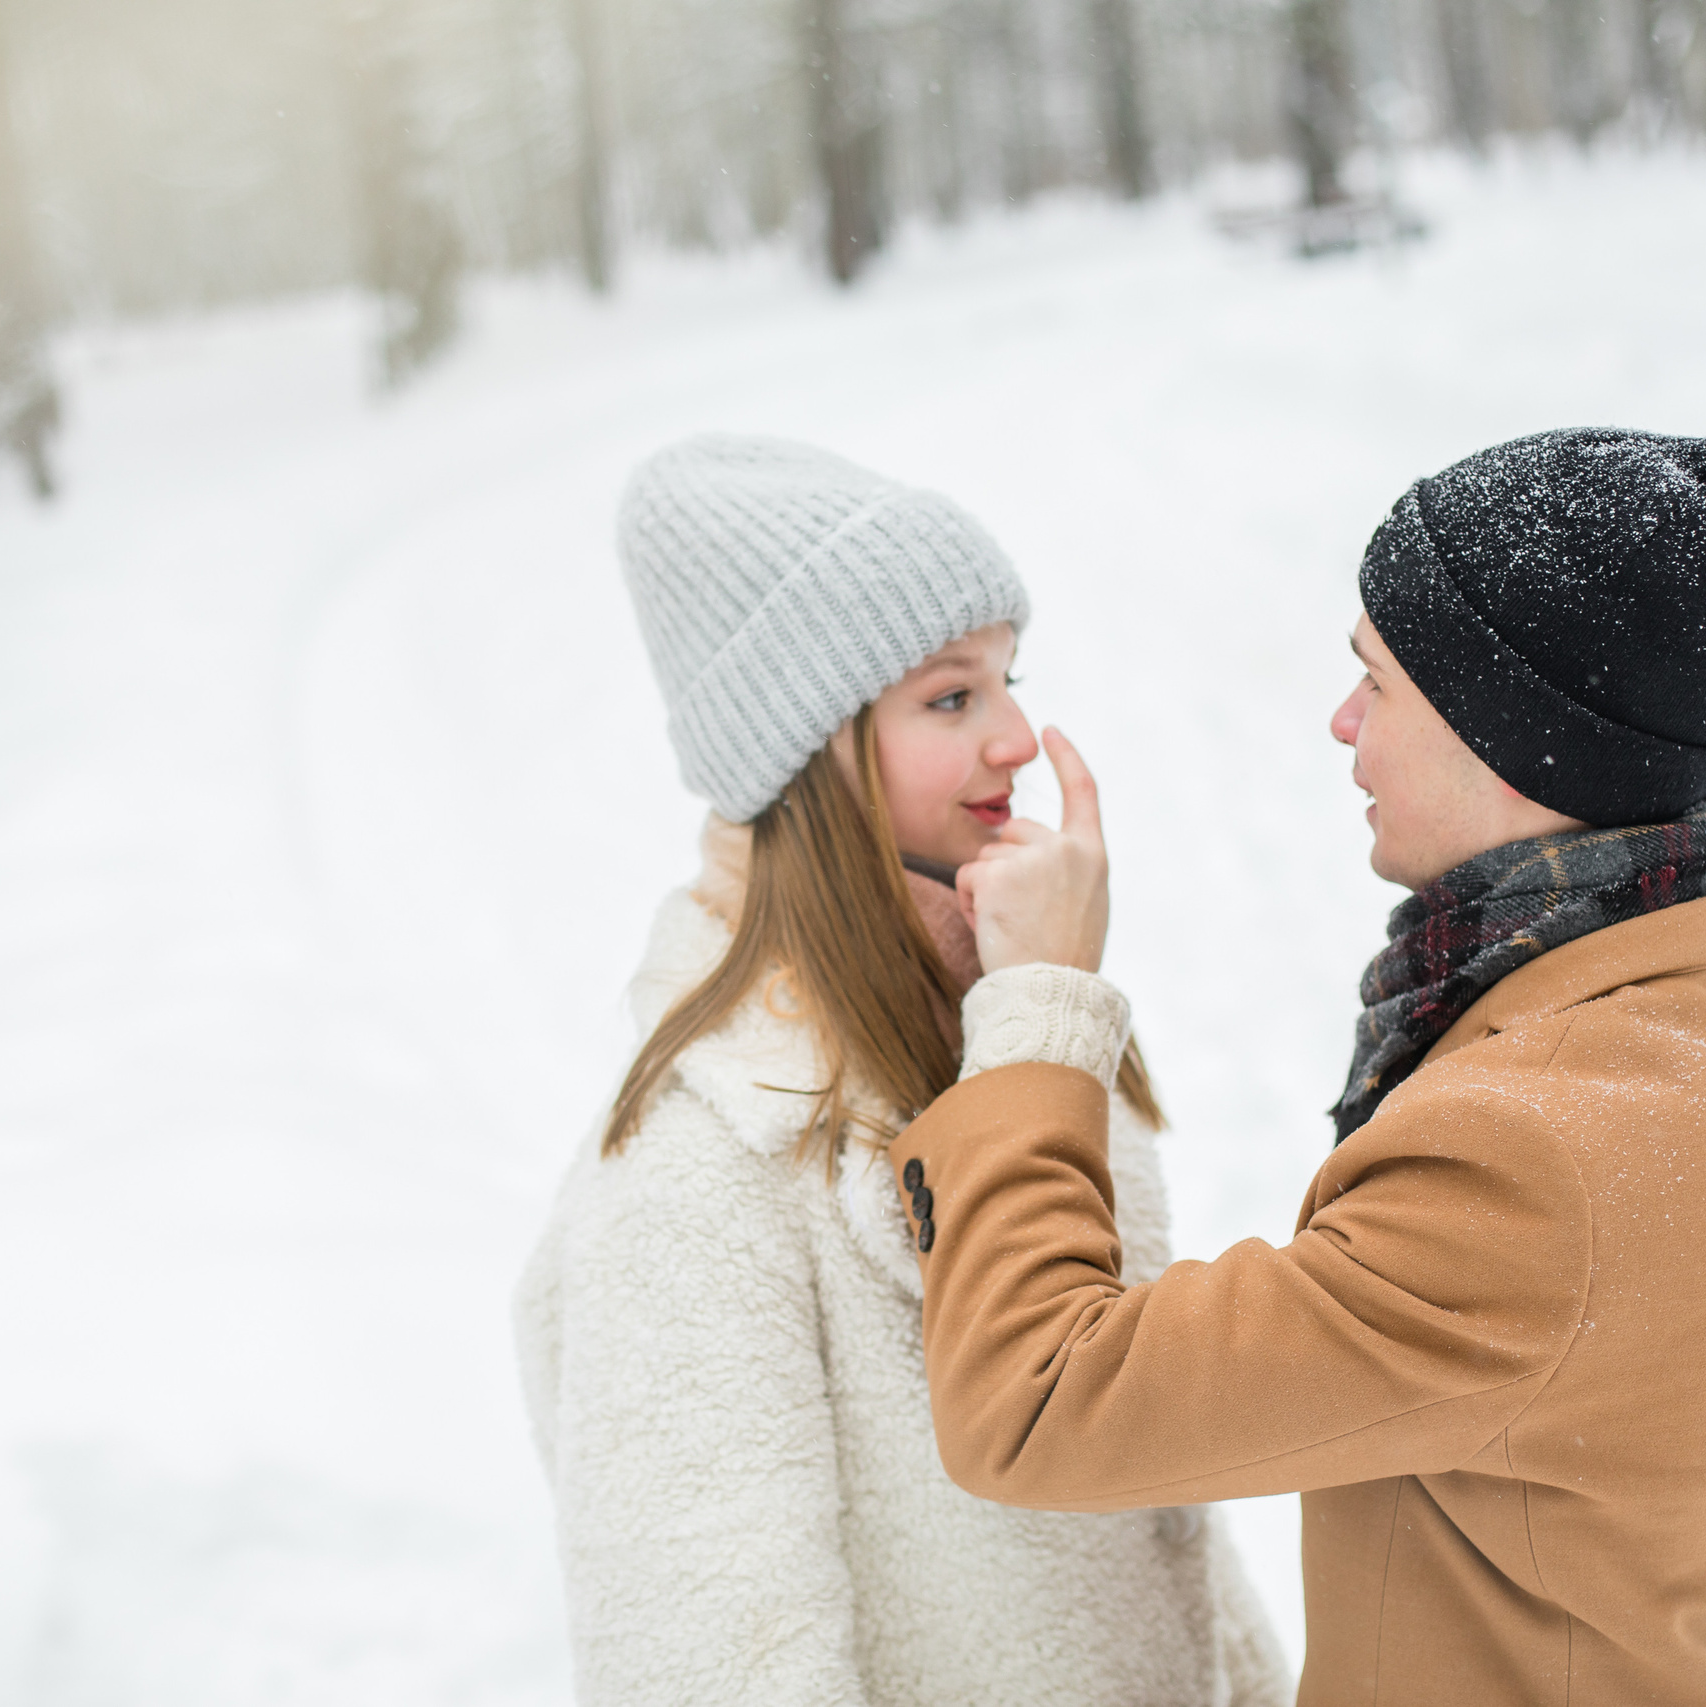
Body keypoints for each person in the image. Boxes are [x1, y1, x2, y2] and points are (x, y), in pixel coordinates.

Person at [893, 428, 1706, 1705]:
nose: (1342, 720)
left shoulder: (1536, 1156)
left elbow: (1036, 1403)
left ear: (1510, 732)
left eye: (1379, 681)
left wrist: (1039, 1007)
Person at [513, 435, 1290, 1707]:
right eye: (951, 698)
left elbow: (1155, 1532)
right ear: (809, 751)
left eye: (1007, 681)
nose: (1019, 738)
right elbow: (710, 1661)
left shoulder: (1007, 1023)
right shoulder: (701, 1166)